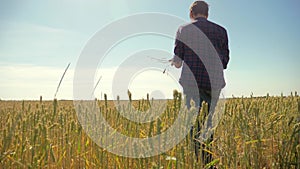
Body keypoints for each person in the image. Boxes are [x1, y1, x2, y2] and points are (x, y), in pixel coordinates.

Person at [170, 0, 230, 166]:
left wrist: (174, 61)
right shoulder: (222, 31)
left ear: (191, 13)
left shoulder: (183, 29)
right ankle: (208, 161)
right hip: (215, 83)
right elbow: (225, 62)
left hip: (192, 83)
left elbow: (178, 61)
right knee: (208, 124)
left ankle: (201, 162)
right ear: (207, 14)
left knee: (192, 125)